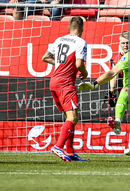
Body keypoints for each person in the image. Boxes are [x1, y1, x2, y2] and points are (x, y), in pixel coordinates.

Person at [42, 16, 88, 162]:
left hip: (54, 82)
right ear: (82, 29)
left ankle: (70, 151)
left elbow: (45, 57)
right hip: (65, 83)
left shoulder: (59, 40)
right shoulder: (81, 42)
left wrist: (60, 64)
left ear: (69, 28)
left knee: (72, 117)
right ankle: (58, 146)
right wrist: (85, 74)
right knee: (72, 118)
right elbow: (79, 64)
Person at [108, 31, 130, 108]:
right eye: (123, 43)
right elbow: (114, 75)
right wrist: (112, 90)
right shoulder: (116, 59)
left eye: (128, 43)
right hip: (123, 89)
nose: (125, 45)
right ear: (119, 43)